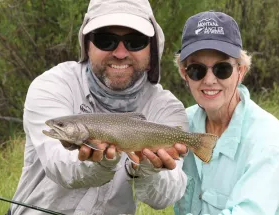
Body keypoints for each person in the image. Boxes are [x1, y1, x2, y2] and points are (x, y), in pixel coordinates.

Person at [10, 0, 189, 214]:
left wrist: (149, 169)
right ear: (87, 45)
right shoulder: (53, 85)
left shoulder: (167, 109)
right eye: (105, 40)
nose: (120, 53)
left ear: (152, 50)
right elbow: (60, 166)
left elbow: (165, 197)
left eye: (135, 41)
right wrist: (102, 163)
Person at [173, 11, 279, 215]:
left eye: (222, 69)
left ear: (241, 72)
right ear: (184, 74)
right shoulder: (182, 123)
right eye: (197, 69)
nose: (210, 80)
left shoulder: (268, 142)